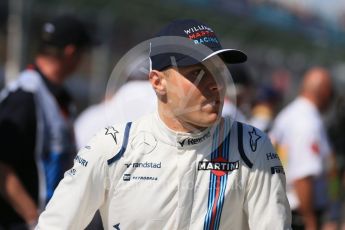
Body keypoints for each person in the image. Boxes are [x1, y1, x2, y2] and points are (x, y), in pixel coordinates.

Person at [36, 19, 291, 229]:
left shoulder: (251, 147)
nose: (215, 84)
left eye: (218, 71)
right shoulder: (113, 147)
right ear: (158, 82)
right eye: (197, 74)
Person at [0, 15, 96, 229]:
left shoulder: (58, 96)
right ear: (71, 52)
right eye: (83, 53)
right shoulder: (25, 95)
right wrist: (34, 218)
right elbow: (2, 168)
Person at [270, 67, 336, 230]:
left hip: (285, 209)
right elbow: (303, 176)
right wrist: (310, 221)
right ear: (324, 91)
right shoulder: (307, 123)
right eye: (331, 91)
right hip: (299, 215)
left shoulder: (290, 113)